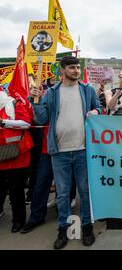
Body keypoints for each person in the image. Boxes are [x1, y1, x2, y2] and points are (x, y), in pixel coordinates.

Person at [30, 56, 101, 249]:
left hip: (83, 150)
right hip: (59, 151)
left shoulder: (87, 90)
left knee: (85, 192)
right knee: (62, 195)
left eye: (78, 67)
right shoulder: (52, 93)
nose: (76, 70)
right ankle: (63, 229)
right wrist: (34, 100)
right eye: (72, 67)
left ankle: (87, 227)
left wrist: (96, 112)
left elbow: (99, 108)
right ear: (62, 70)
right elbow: (41, 118)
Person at [0, 89, 34, 233]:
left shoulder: (13, 103)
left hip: (17, 154)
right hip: (1, 155)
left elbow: (26, 123)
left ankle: (18, 220)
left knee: (16, 190)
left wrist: (3, 122)